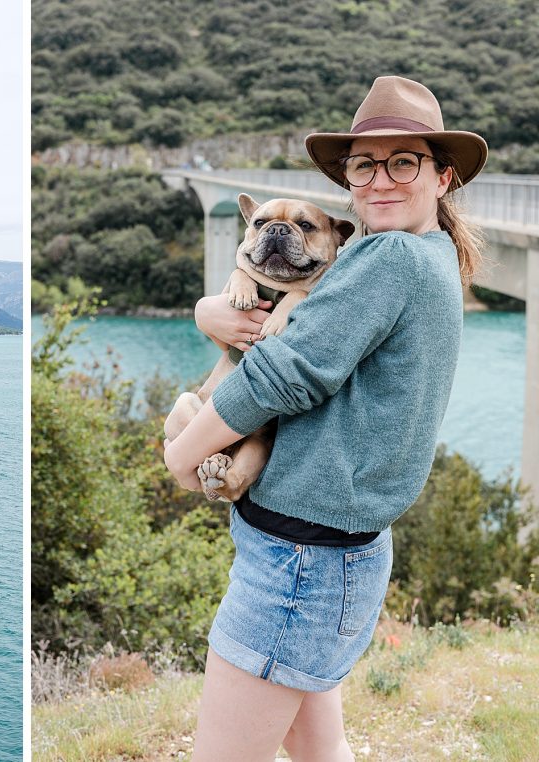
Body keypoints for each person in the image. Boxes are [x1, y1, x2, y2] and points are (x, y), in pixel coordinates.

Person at [163, 75, 487, 761]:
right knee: (320, 751)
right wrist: (208, 312)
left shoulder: (390, 256)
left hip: (300, 560)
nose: (380, 179)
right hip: (337, 549)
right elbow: (297, 328)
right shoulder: (429, 257)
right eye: (364, 164)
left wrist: (180, 453)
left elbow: (290, 371)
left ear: (443, 174)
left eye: (404, 161)